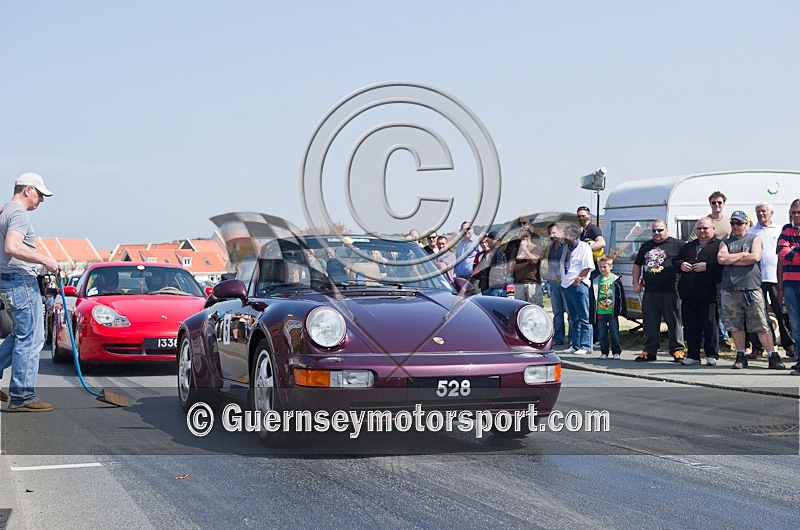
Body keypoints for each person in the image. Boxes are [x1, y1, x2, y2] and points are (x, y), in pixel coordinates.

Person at [0, 172, 60, 412]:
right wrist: (45, 259)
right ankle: (22, 396)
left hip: (6, 281)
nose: (41, 201)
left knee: (21, 335)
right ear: (27, 190)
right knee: (31, 339)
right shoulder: (19, 215)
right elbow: (12, 247)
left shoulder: (3, 211)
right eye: (40, 195)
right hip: (21, 282)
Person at [718, 210, 785, 370]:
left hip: (751, 289)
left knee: (761, 324)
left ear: (746, 224)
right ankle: (740, 354)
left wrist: (731, 259)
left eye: (739, 223)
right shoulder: (725, 242)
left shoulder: (754, 239)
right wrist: (742, 255)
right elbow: (721, 259)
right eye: (733, 223)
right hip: (730, 290)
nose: (735, 226)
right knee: (735, 325)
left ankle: (772, 356)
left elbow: (755, 257)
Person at [632, 220, 686, 362]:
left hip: (671, 290)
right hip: (650, 291)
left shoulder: (678, 245)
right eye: (654, 231)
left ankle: (677, 350)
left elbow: (687, 263)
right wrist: (635, 283)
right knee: (650, 323)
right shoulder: (646, 246)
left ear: (667, 230)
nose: (657, 233)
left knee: (674, 322)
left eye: (660, 230)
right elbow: (637, 265)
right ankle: (649, 351)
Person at [747, 202, 795, 359]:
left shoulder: (780, 230)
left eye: (764, 211)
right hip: (756, 279)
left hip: (775, 278)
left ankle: (789, 345)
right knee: (757, 314)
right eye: (758, 212)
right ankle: (757, 347)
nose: (761, 214)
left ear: (771, 213)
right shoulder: (751, 232)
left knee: (781, 313)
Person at [676, 217, 723, 366]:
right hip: (688, 294)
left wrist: (707, 266)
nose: (702, 231)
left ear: (713, 229)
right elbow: (675, 261)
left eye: (705, 228)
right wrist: (681, 265)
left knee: (710, 325)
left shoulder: (718, 245)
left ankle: (711, 354)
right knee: (690, 326)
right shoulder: (688, 246)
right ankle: (693, 355)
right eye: (699, 228)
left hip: (708, 294)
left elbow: (723, 264)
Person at [560, 224, 594, 354]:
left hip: (579, 286)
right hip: (566, 285)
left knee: (583, 317)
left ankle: (585, 346)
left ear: (574, 236)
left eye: (567, 234)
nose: (564, 237)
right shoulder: (566, 248)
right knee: (573, 318)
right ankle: (575, 344)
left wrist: (579, 279)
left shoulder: (584, 247)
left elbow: (587, 266)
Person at [776, 199, 800, 375]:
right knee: (796, 324)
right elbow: (782, 253)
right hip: (790, 283)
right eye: (793, 212)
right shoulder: (786, 229)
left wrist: (792, 251)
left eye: (799, 212)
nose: (796, 215)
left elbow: (789, 253)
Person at [592, 255, 626, 359]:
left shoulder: (615, 280)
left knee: (614, 333)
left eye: (605, 266)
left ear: (610, 266)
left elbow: (621, 296)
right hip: (600, 312)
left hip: (612, 312)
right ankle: (604, 352)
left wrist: (621, 310)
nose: (602, 269)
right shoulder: (596, 280)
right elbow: (593, 297)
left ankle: (616, 352)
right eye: (600, 267)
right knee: (602, 335)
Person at [544, 223, 568, 346]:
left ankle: (573, 339)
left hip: (566, 283)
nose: (551, 236)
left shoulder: (567, 246)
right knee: (557, 313)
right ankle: (559, 338)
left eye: (553, 233)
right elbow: (549, 264)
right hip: (554, 283)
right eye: (550, 234)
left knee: (570, 313)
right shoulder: (552, 247)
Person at [509, 227, 544, 307]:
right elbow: (511, 267)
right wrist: (526, 263)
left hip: (533, 282)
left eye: (526, 236)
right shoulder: (516, 250)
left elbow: (534, 260)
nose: (524, 238)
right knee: (520, 308)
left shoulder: (536, 248)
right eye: (522, 236)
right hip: (519, 283)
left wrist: (524, 249)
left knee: (535, 308)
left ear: (530, 236)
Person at [474, 231, 507, 296]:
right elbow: (475, 274)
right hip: (485, 287)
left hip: (497, 288)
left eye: (486, 241)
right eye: (481, 243)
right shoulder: (481, 256)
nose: (484, 244)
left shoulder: (499, 253)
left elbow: (497, 272)